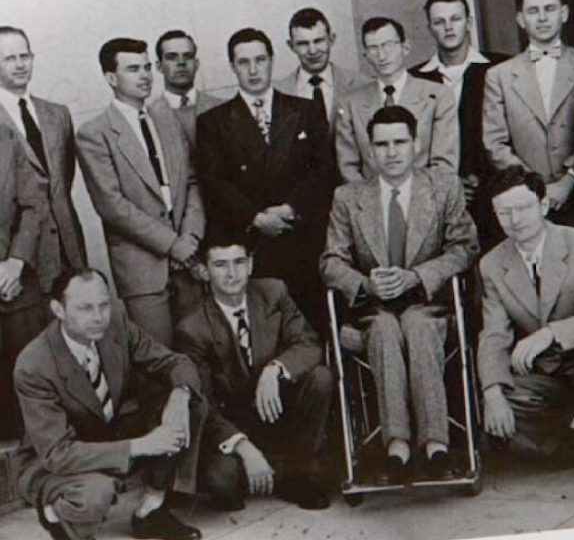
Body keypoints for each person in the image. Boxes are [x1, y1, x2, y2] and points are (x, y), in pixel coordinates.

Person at [321, 105, 478, 481]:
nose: (391, 153)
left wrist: (418, 276)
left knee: (417, 326)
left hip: (430, 306)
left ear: (415, 144)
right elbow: (331, 261)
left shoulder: (442, 187)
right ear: (370, 150)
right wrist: (365, 283)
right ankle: (397, 446)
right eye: (382, 145)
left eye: (399, 143)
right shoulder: (349, 197)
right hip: (376, 309)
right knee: (388, 331)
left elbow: (465, 248)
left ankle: (436, 445)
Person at [14, 267, 207, 540]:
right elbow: (57, 453)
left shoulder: (115, 322)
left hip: (107, 432)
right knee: (96, 495)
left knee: (189, 400)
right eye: (85, 308)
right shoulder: (34, 364)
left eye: (103, 305)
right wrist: (143, 445)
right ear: (58, 309)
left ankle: (151, 510)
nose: (98, 317)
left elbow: (175, 362)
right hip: (54, 459)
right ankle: (54, 514)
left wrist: (180, 396)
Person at [478, 167, 574, 466]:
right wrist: (492, 394)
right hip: (547, 374)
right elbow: (494, 334)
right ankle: (572, 426)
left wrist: (550, 333)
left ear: (544, 206)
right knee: (494, 393)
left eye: (523, 208)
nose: (515, 220)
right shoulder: (492, 264)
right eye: (504, 212)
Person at [174, 233, 332, 511]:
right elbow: (202, 403)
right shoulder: (192, 328)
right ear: (203, 271)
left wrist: (276, 368)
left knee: (321, 378)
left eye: (239, 262)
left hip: (278, 409)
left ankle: (299, 473)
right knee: (222, 484)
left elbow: (308, 343)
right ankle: (262, 466)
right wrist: (244, 448)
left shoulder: (273, 292)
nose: (232, 274)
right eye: (220, 265)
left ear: (250, 265)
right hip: (234, 424)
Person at [196, 28, 332, 334]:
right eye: (244, 62)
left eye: (260, 60)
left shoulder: (305, 110)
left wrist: (290, 208)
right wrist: (256, 218)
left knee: (313, 328)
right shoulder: (213, 122)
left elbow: (323, 170)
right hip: (251, 246)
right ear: (232, 66)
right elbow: (214, 183)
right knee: (267, 333)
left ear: (272, 60)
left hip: (302, 240)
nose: (253, 70)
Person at [76, 38, 205, 345]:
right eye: (133, 69)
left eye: (147, 67)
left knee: (202, 352)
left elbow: (192, 182)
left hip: (189, 260)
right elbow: (113, 207)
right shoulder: (94, 134)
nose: (145, 75)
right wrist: (173, 244)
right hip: (142, 272)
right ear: (111, 78)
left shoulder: (166, 117)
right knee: (158, 363)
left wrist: (190, 238)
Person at [483, 0, 574, 229]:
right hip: (527, 198)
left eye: (550, 9)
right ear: (520, 20)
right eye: (533, 11)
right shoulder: (499, 75)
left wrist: (570, 179)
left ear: (564, 13)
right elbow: (494, 142)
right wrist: (534, 185)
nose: (542, 18)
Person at [410, 0, 507, 247]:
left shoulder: (501, 68)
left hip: (495, 194)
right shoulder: (414, 79)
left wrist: (482, 182)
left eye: (455, 19)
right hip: (437, 199)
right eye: (439, 22)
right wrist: (449, 186)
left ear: (469, 22)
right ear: (430, 28)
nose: (449, 28)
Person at [0, 25, 86, 294]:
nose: (19, 65)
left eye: (24, 56)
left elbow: (62, 180)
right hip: (19, 257)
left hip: (68, 245)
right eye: (8, 58)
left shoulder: (58, 114)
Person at [335, 16, 459, 183]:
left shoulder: (438, 96)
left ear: (405, 47)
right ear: (365, 55)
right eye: (373, 48)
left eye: (389, 45)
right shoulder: (350, 102)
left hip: (426, 199)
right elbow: (348, 167)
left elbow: (444, 165)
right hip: (371, 202)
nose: (382, 55)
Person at [0, 123, 45, 438]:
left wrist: (16, 262)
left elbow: (33, 205)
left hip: (17, 286)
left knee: (34, 390)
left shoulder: (4, 135)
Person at [274, 7, 361, 139]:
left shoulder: (360, 83)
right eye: (303, 44)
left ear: (331, 40)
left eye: (319, 41)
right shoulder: (278, 93)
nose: (313, 51)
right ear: (291, 46)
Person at [150, 30, 221, 149]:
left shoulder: (223, 108)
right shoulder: (149, 117)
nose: (181, 62)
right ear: (159, 66)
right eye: (172, 57)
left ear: (196, 64)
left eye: (188, 56)